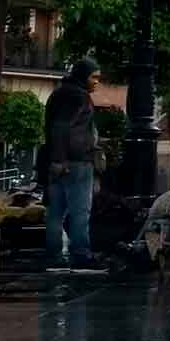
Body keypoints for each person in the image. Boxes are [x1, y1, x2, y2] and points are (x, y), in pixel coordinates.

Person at [43, 58, 103, 270]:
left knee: (55, 213)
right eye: (93, 77)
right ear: (82, 76)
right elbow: (62, 127)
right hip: (76, 163)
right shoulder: (80, 97)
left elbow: (53, 128)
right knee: (80, 212)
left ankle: (53, 255)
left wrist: (55, 160)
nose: (96, 82)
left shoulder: (57, 93)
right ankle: (81, 255)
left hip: (55, 162)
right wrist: (62, 160)